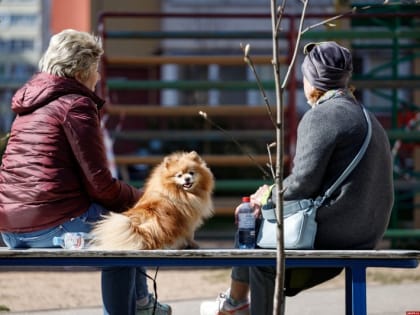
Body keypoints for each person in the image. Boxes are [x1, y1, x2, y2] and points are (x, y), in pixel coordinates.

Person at [200, 41, 394, 315]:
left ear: (312, 80)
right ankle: (237, 303)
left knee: (256, 236)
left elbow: (303, 183)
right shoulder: (367, 116)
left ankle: (237, 303)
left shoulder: (322, 117)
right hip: (368, 231)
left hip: (339, 232)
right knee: (257, 223)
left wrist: (264, 197)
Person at [0, 29, 171, 315]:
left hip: (9, 227)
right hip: (51, 224)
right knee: (126, 234)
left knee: (122, 224)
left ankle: (141, 304)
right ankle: (139, 306)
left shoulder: (28, 106)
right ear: (81, 71)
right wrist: (141, 199)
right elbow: (100, 185)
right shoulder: (76, 105)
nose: (98, 78)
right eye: (96, 69)